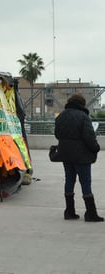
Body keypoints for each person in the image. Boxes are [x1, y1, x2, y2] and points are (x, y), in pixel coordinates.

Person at [54, 93, 103, 222]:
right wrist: (96, 148)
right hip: (81, 156)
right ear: (82, 104)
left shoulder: (61, 116)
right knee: (85, 182)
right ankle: (90, 213)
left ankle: (69, 211)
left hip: (65, 154)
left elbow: (57, 134)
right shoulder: (83, 117)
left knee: (69, 180)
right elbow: (89, 137)